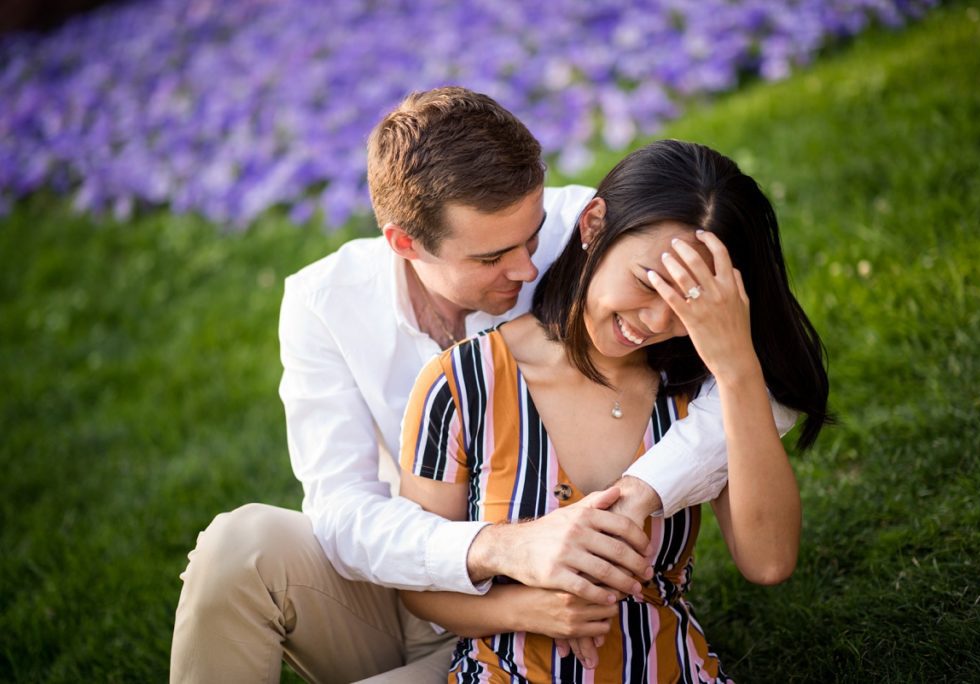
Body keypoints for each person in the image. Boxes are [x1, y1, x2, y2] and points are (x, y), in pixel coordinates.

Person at [169, 89, 782, 683]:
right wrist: (504, 549)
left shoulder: (588, 230)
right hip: (408, 593)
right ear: (406, 245)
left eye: (532, 238)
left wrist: (640, 491)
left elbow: (758, 375)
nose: (525, 268)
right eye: (491, 259)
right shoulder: (323, 303)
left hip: (549, 629)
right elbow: (341, 515)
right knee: (238, 546)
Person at [398, 139, 830, 683]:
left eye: (688, 300)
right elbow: (420, 583)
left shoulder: (697, 392)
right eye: (647, 282)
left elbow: (767, 561)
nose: (655, 319)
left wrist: (737, 365)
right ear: (593, 225)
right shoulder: (461, 384)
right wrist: (529, 610)